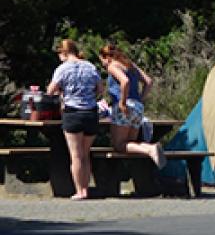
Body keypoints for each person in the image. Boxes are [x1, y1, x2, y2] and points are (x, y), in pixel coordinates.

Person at [47, 38, 103, 200]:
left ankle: (80, 191)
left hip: (73, 113)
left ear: (64, 52)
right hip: (91, 112)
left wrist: (63, 94)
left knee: (76, 155)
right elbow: (100, 89)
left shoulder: (62, 69)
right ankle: (86, 188)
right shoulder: (90, 66)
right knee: (85, 154)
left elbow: (51, 91)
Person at [98, 44, 167, 169]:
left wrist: (123, 102)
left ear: (106, 57)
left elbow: (125, 81)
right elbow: (149, 82)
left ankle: (150, 149)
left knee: (119, 145)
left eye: (102, 61)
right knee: (130, 144)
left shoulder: (112, 66)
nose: (103, 64)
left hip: (124, 106)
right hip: (137, 107)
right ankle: (152, 148)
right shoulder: (131, 65)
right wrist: (140, 99)